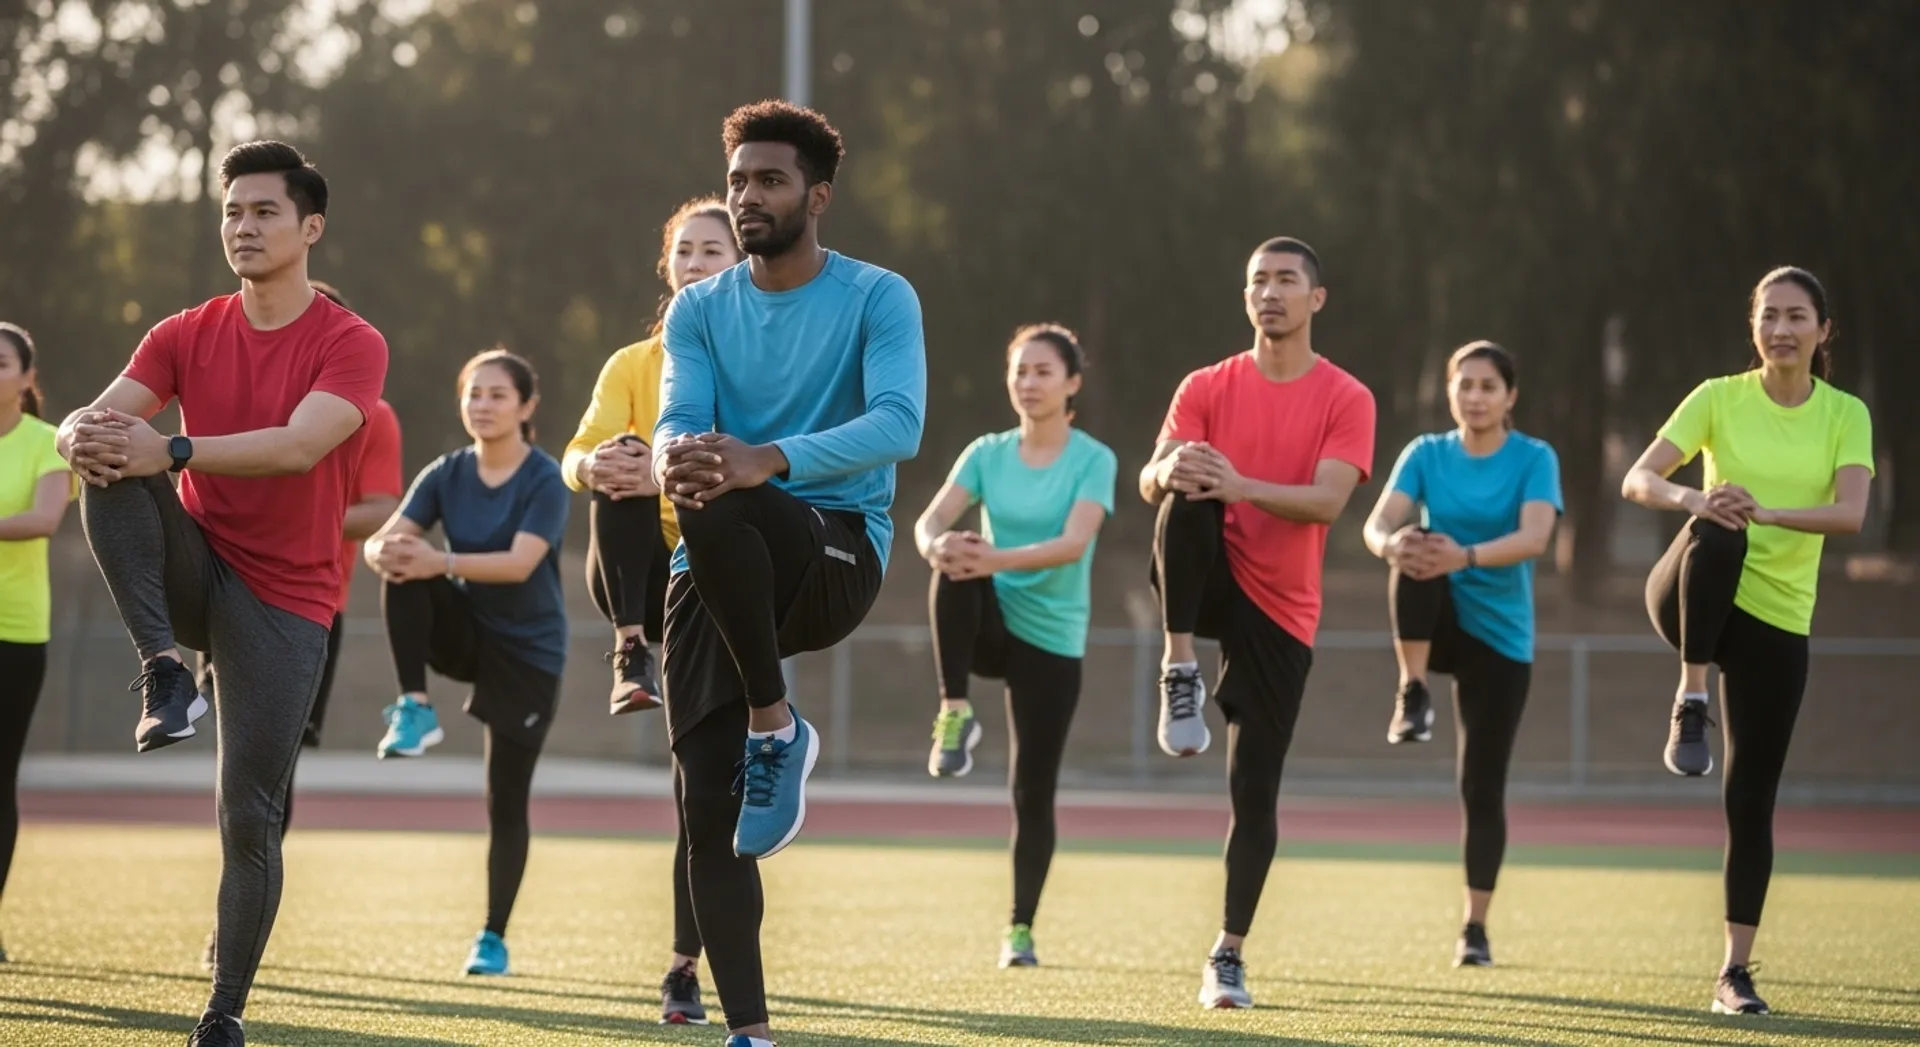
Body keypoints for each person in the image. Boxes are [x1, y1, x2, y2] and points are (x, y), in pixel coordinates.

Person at [56, 141, 387, 1047]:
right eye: (233, 211)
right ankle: (164, 668)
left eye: (264, 212)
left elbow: (297, 445)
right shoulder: (182, 330)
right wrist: (77, 435)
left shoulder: (351, 342)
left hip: (287, 602)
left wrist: (173, 449)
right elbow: (101, 418)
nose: (243, 227)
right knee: (110, 454)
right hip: (195, 566)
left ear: (310, 227)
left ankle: (223, 1009)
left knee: (248, 812)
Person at [651, 100, 925, 1047]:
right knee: (707, 805)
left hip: (834, 551)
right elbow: (677, 422)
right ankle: (751, 1031)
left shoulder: (878, 296)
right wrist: (671, 457)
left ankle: (776, 720)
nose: (747, 198)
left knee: (722, 478)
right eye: (737, 182)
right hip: (717, 565)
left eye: (768, 181)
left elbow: (901, 424)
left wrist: (764, 457)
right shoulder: (698, 308)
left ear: (818, 196)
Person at [1620, 266, 1872, 1017]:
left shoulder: (1845, 414)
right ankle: (1691, 693)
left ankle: (1734, 972)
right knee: (1719, 527)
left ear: (1822, 331)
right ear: (1753, 327)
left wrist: (1766, 511)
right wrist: (1696, 495)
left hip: (1777, 621)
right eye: (1770, 316)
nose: (1782, 329)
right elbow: (1639, 478)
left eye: (1798, 317)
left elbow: (1852, 514)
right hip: (1692, 592)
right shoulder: (1716, 397)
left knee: (1750, 798)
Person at [1138, 236, 1375, 1010]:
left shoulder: (1347, 397)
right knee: (1187, 487)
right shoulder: (1206, 384)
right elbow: (1149, 477)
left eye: (1285, 280)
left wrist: (1238, 481)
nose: (1269, 292)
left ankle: (1228, 953)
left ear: (1316, 299)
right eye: (1257, 281)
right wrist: (1168, 471)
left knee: (1254, 788)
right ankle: (1179, 666)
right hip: (1206, 576)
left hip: (1282, 604)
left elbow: (1330, 502)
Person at [562, 196, 740, 1024]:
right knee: (619, 458)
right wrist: (598, 464)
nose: (699, 263)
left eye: (715, 250)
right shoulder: (632, 364)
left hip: (715, 582)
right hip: (633, 573)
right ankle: (629, 649)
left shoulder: (757, 361)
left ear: (738, 264)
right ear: (668, 266)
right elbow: (573, 454)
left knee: (699, 794)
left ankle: (683, 965)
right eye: (688, 251)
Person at [192, 280, 403, 970]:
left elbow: (379, 506)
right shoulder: (243, 398)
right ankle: (233, 909)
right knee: (231, 769)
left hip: (310, 606)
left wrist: (300, 516)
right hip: (225, 589)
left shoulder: (370, 410)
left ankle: (239, 927)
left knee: (269, 779)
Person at [912, 323, 1116, 970]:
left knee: (1032, 790)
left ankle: (1020, 929)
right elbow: (931, 519)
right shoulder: (986, 452)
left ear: (1072, 383)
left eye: (1043, 372)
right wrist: (935, 546)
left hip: (1053, 639)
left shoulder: (1093, 459)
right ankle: (955, 710)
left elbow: (1073, 544)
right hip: (992, 621)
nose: (1028, 383)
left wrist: (990, 557)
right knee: (954, 555)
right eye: (1019, 371)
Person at [362, 348, 569, 977]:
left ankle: (492, 938)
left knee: (504, 801)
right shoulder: (446, 473)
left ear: (527, 407)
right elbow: (381, 539)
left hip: (528, 653)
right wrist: (386, 551)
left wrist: (439, 562)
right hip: (468, 633)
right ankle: (414, 707)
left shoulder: (544, 479)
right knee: (403, 565)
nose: (482, 406)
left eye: (498, 395)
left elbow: (519, 563)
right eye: (473, 394)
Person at [1360, 341, 1561, 968]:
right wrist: (1391, 545)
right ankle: (1412, 690)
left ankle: (1474, 927)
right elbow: (1375, 525)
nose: (1474, 397)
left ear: (1509, 396)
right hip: (1435, 617)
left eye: (1487, 386)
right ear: (1450, 392)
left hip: (1500, 639)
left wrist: (1466, 556)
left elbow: (1535, 537)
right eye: (1464, 385)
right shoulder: (1425, 453)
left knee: (1481, 786)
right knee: (1412, 545)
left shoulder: (1534, 457)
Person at [0, 323, 74, 964]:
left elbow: (43, 520)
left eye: (1, 363)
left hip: (16, 633)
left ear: (27, 378)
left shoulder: (47, 443)